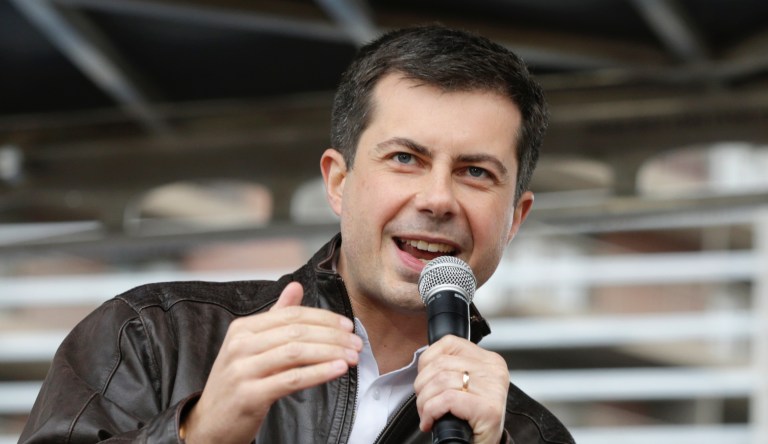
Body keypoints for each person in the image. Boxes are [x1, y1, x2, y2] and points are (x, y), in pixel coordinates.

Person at [20, 25, 575, 444]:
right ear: (338, 182)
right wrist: (200, 432)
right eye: (406, 158)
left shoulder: (531, 435)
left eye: (475, 172)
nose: (438, 199)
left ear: (515, 218)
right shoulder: (154, 336)